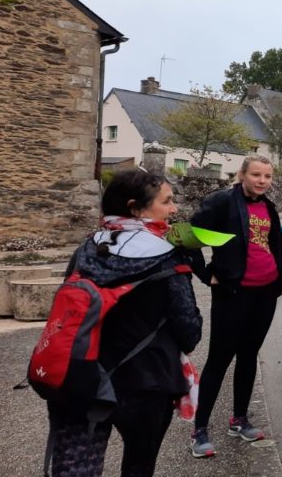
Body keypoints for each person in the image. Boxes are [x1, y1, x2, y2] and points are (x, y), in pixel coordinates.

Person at [47, 170, 202, 476]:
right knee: (138, 467)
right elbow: (189, 332)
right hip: (147, 381)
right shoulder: (167, 254)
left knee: (77, 468)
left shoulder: (87, 249)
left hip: (82, 374)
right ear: (135, 207)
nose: (174, 209)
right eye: (166, 201)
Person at [188, 156, 282, 457]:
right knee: (219, 359)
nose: (262, 181)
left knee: (248, 355)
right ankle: (199, 429)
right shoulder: (222, 201)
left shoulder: (268, 206)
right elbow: (189, 237)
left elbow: (275, 245)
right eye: (256, 174)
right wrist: (206, 274)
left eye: (267, 176)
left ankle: (239, 419)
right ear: (242, 174)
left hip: (265, 292)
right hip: (233, 292)